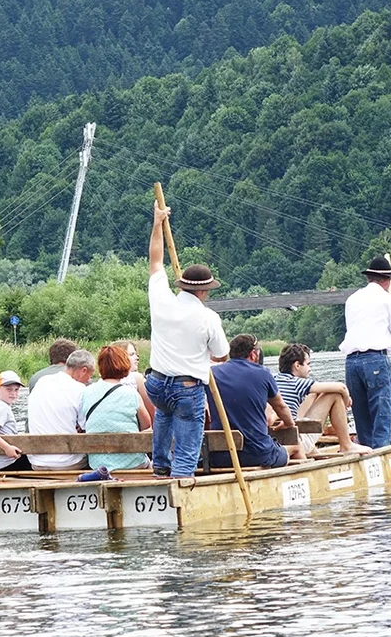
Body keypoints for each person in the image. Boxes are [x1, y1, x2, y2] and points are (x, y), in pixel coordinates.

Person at [146, 203, 230, 478]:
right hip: (187, 385)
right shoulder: (208, 318)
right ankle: (181, 480)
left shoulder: (161, 300)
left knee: (164, 413)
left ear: (181, 285)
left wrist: (158, 223)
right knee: (187, 442)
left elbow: (155, 260)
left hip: (156, 383)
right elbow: (222, 355)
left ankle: (160, 465)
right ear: (205, 291)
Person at [339, 256, 391, 450]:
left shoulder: (352, 299)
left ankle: (367, 449)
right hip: (375, 359)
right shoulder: (388, 300)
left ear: (370, 278)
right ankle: (382, 451)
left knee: (360, 410)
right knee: (382, 408)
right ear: (387, 281)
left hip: (351, 362)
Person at [205, 334, 297, 469]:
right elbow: (281, 407)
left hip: (220, 456)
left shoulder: (211, 373)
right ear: (254, 354)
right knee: (295, 445)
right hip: (257, 454)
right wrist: (289, 423)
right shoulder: (263, 373)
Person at [273, 344, 371, 456]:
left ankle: (312, 448)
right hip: (294, 444)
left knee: (314, 393)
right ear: (297, 365)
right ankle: (346, 445)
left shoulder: (273, 379)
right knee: (334, 394)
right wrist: (346, 398)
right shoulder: (297, 383)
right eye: (307, 364)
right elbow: (341, 387)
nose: (309, 369)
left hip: (277, 442)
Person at [81, 345, 152, 471]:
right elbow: (147, 427)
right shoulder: (131, 394)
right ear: (124, 365)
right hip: (132, 464)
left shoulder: (86, 393)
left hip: (98, 465)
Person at [26, 349, 95, 471]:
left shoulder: (42, 382)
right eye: (90, 375)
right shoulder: (79, 389)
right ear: (84, 370)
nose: (89, 380)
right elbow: (87, 427)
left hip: (37, 461)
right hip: (68, 462)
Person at [0, 370, 32, 473]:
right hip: (6, 464)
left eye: (16, 390)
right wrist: (7, 448)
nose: (13, 393)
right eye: (9, 389)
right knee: (38, 460)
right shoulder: (2, 408)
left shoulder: (1, 406)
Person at [111, 339, 156, 419]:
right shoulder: (135, 377)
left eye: (136, 354)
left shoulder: (104, 380)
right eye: (132, 354)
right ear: (120, 357)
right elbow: (152, 411)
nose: (137, 358)